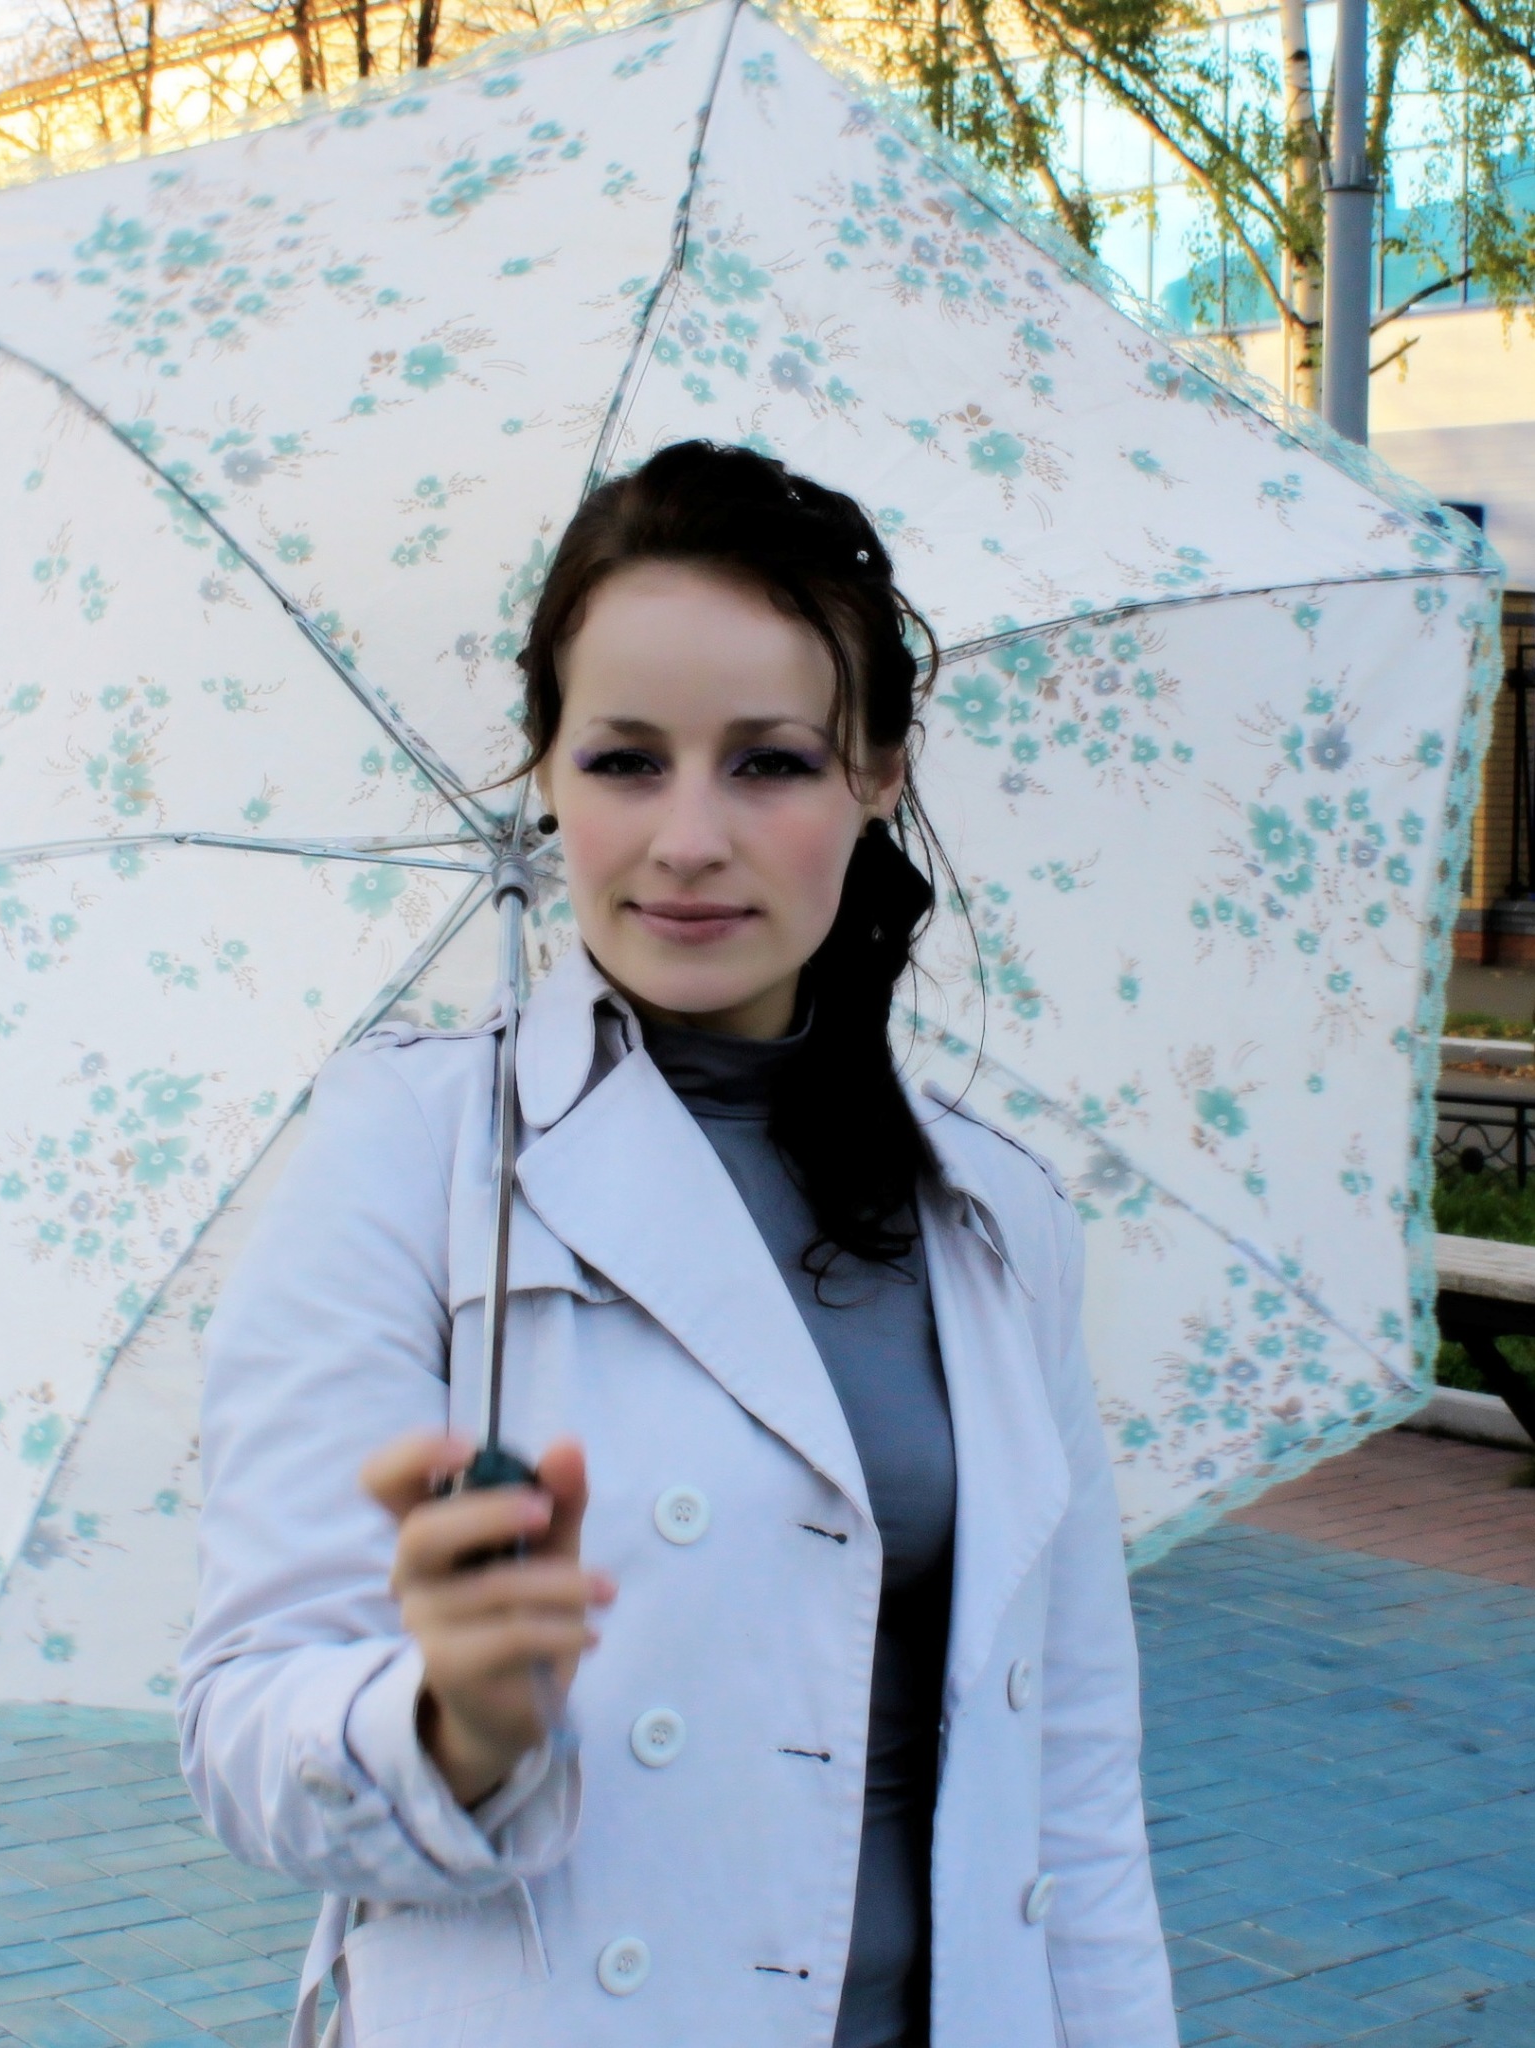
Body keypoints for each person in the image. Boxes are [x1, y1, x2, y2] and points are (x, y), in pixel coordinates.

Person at [180, 442, 1177, 2048]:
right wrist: (454, 1724)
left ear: (879, 772)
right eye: (626, 761)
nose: (689, 838)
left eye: (769, 762)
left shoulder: (997, 1215)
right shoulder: (410, 1155)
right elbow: (246, 1734)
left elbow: (1072, 1778)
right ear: (547, 772)